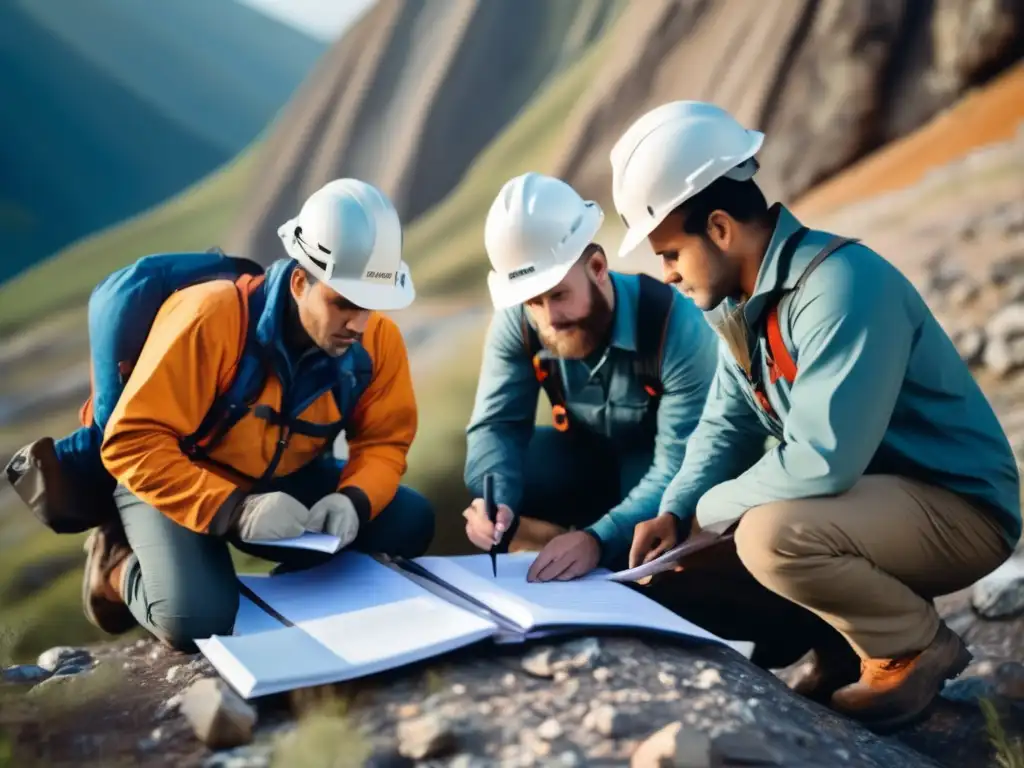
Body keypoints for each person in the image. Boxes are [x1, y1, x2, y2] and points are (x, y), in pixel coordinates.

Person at [614, 101, 1021, 730]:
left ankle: (912, 647)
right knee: (697, 559)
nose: (664, 274)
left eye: (669, 253)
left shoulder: (841, 287)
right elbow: (725, 425)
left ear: (719, 229)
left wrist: (711, 512)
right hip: (875, 501)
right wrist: (673, 509)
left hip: (963, 511)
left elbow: (822, 461)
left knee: (766, 535)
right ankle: (841, 646)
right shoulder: (741, 309)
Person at [6, 179, 434, 653]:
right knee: (198, 620)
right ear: (299, 282)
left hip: (281, 481)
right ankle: (115, 564)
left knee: (408, 522)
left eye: (371, 305)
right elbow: (132, 441)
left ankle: (292, 599)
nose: (359, 323)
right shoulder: (210, 318)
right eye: (343, 303)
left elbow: (383, 441)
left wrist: (354, 500)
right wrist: (234, 510)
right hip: (172, 476)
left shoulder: (377, 341)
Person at [460, 172, 719, 581]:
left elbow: (680, 465)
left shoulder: (676, 325)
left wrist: (597, 539)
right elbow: (496, 427)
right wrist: (497, 502)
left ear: (597, 267)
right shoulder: (518, 321)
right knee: (510, 467)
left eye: (559, 295)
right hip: (580, 461)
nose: (549, 319)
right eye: (533, 302)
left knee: (653, 530)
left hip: (652, 466)